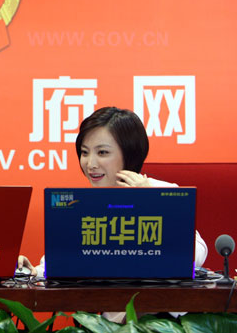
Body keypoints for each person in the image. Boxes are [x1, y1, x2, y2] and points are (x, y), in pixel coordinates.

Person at [18, 106, 208, 276]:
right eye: (85, 152)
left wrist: (150, 203)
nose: (90, 164)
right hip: (100, 304)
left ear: (130, 153)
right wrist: (29, 270)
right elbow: (57, 263)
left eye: (102, 152)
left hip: (153, 303)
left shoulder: (163, 192)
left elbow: (197, 255)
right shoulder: (79, 204)